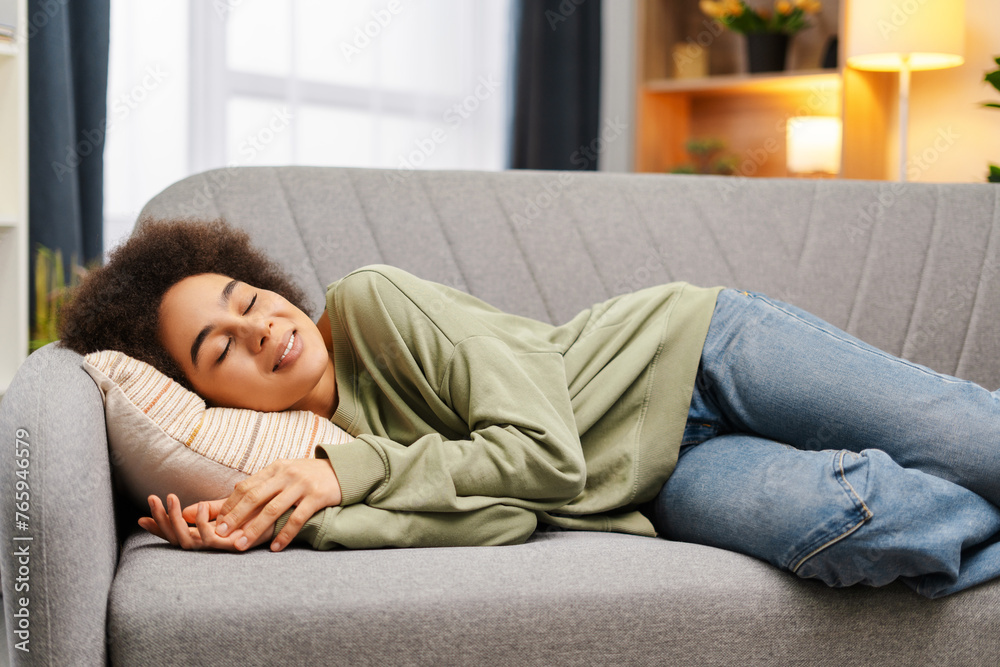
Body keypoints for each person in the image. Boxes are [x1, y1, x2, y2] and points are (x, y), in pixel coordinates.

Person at [60, 218, 1000, 599]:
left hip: (699, 351)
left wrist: (343, 474)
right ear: (203, 396)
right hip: (658, 482)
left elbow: (542, 455)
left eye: (244, 296)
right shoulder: (331, 449)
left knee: (960, 434)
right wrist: (298, 520)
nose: (256, 327)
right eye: (217, 347)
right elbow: (508, 515)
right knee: (853, 526)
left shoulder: (373, 301)